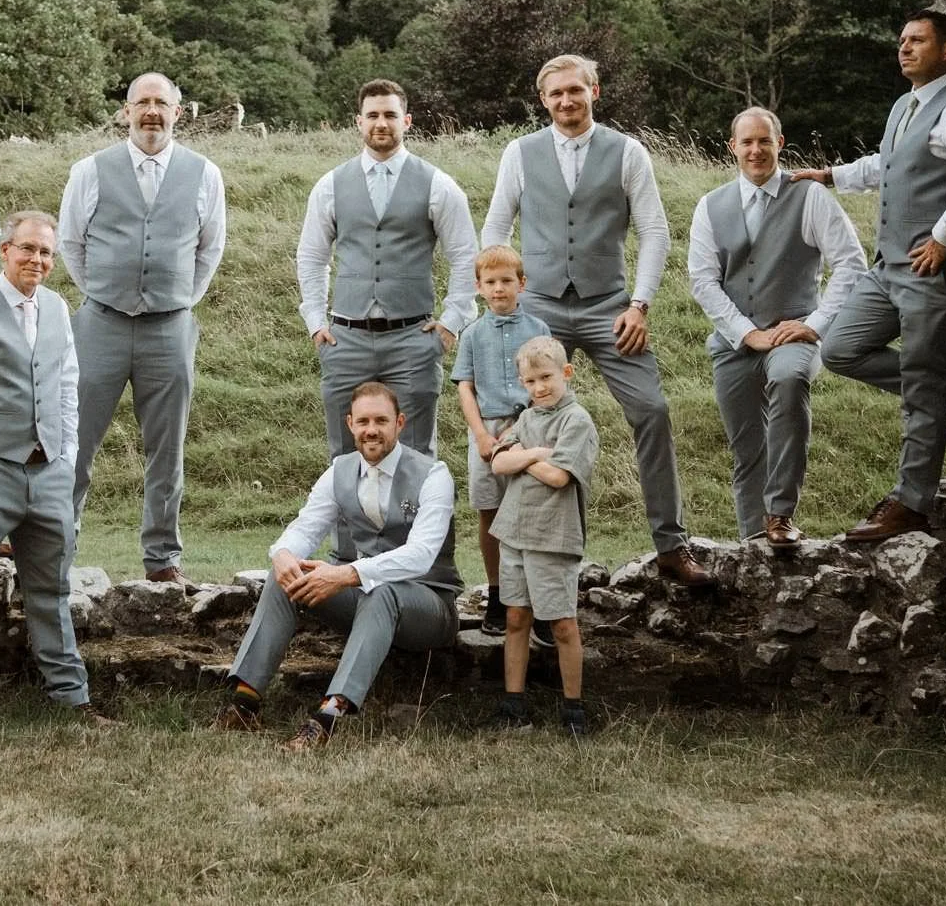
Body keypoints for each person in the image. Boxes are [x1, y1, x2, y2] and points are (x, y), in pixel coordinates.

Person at [480, 53, 710, 586]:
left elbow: (654, 230)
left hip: (611, 306)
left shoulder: (628, 152)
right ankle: (540, 557)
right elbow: (496, 224)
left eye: (575, 91)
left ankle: (671, 546)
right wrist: (507, 292)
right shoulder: (520, 152)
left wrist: (640, 304)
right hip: (539, 307)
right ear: (544, 100)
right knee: (523, 421)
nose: (566, 101)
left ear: (594, 92)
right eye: (556, 93)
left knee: (651, 409)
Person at [790, 9, 946, 542]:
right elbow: (888, 165)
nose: (905, 49)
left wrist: (945, 235)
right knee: (839, 348)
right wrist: (830, 175)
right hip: (890, 267)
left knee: (918, 386)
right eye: (902, 41)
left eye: (918, 41)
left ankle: (911, 503)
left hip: (938, 270)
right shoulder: (904, 107)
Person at [0, 211, 117, 729]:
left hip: (50, 469)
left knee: (52, 586)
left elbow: (65, 385)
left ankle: (70, 697)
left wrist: (68, 455)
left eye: (46, 253)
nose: (37, 260)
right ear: (5, 250)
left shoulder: (57, 308)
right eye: (28, 249)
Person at [209, 382, 461, 752]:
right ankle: (246, 703)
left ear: (400, 423)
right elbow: (306, 527)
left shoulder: (433, 475)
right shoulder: (339, 471)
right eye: (363, 421)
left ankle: (328, 716)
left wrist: (347, 573)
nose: (371, 429)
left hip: (428, 606)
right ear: (350, 424)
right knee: (286, 577)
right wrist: (282, 554)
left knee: (382, 592)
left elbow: (421, 554)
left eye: (381, 420)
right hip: (365, 598)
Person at [57, 72, 226, 586]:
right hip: (100, 323)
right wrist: (105, 293)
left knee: (167, 449)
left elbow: (210, 248)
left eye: (162, 103)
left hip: (169, 329)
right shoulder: (89, 170)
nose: (152, 112)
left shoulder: (204, 174)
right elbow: (71, 243)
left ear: (178, 112)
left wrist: (179, 300)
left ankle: (162, 558)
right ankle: (57, 541)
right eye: (142, 103)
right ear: (126, 111)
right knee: (74, 441)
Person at [687, 107, 866, 548]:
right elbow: (702, 280)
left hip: (796, 330)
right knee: (746, 444)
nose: (755, 150)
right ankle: (752, 537)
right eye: (746, 142)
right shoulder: (710, 206)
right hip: (736, 340)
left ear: (779, 144)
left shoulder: (809, 197)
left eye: (764, 141)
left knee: (788, 379)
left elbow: (851, 263)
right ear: (733, 148)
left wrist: (817, 324)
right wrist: (747, 334)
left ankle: (780, 515)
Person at [297, 78, 478, 457]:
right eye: (373, 115)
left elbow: (464, 253)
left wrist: (451, 323)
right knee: (345, 454)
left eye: (390, 115)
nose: (382, 123)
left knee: (414, 453)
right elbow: (313, 256)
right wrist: (316, 321)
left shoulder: (437, 184)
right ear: (359, 122)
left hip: (412, 338)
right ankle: (350, 518)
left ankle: (418, 518)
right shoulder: (331, 185)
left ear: (406, 121)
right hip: (346, 339)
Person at [486, 336, 600, 738]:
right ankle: (514, 705)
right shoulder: (527, 418)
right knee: (516, 617)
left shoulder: (577, 421)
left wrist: (521, 458)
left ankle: (573, 709)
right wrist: (535, 454)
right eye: (530, 381)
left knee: (562, 624)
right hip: (514, 531)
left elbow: (558, 476)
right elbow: (499, 462)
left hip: (553, 536)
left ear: (566, 373)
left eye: (546, 377)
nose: (539, 388)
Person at [450, 244, 551, 635]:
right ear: (478, 287)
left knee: (531, 510)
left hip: (529, 425)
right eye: (490, 282)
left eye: (506, 281)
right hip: (487, 431)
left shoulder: (537, 330)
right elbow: (465, 387)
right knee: (489, 512)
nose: (499, 289)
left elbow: (547, 384)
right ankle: (497, 595)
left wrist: (521, 427)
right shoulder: (473, 334)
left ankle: (539, 602)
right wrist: (480, 435)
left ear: (521, 284)